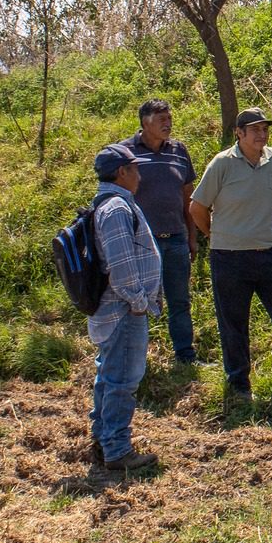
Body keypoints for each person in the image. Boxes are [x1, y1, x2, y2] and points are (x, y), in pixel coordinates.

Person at [190, 108, 272, 405]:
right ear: (239, 133)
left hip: (268, 253)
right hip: (229, 258)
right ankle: (239, 385)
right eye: (254, 129)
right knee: (234, 324)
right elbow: (197, 207)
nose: (261, 134)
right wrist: (217, 237)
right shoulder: (222, 164)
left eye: (265, 129)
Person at [86, 143, 164, 474]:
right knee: (122, 379)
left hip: (117, 308)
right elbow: (122, 265)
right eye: (135, 168)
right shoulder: (117, 208)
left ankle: (103, 440)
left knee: (109, 375)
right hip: (123, 310)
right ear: (122, 172)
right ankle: (117, 449)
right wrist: (138, 302)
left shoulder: (110, 204)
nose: (139, 174)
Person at [127, 99, 197, 366]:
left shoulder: (178, 150)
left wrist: (192, 237)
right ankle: (136, 359)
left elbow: (187, 195)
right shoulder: (126, 152)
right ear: (145, 123)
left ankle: (185, 355)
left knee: (179, 299)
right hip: (143, 243)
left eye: (169, 118)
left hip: (176, 238)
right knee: (139, 302)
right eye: (161, 120)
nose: (168, 124)